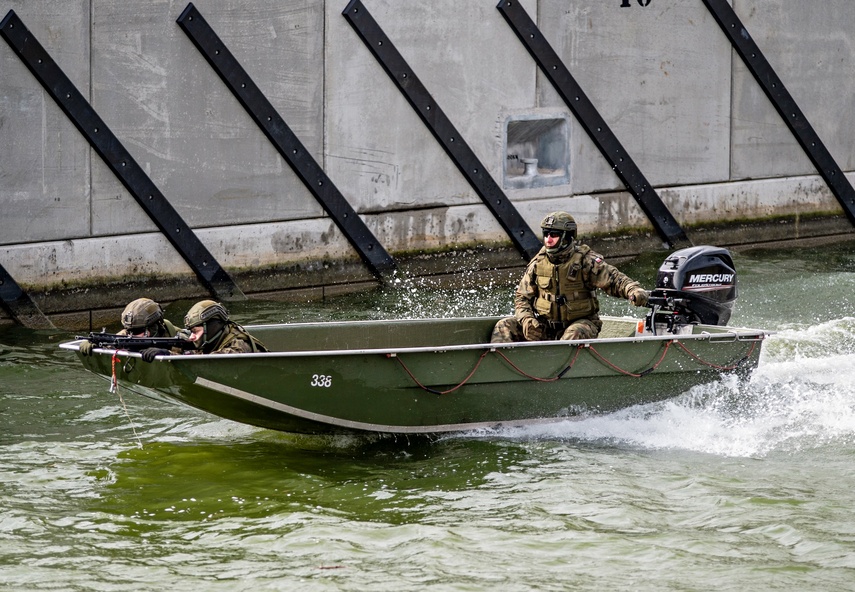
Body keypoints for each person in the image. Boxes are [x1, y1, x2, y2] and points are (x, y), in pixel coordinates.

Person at [491, 211, 649, 343]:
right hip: (546, 326)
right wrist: (526, 320)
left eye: (554, 235)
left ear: (567, 236)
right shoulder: (538, 263)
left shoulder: (585, 261)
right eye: (546, 234)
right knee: (504, 326)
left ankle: (559, 376)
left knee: (573, 334)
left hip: (582, 324)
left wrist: (632, 290)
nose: (548, 239)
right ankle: (502, 371)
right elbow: (522, 298)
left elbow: (614, 279)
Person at [79, 297, 179, 355]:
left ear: (154, 328)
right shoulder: (125, 336)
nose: (131, 336)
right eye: (130, 331)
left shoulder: (173, 334)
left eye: (137, 332)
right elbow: (109, 342)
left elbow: (193, 356)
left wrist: (167, 353)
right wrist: (92, 343)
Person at [181, 300, 267, 354]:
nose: (191, 337)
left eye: (195, 331)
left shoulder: (238, 347)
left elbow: (210, 365)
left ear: (212, 329)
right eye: (191, 332)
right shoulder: (211, 343)